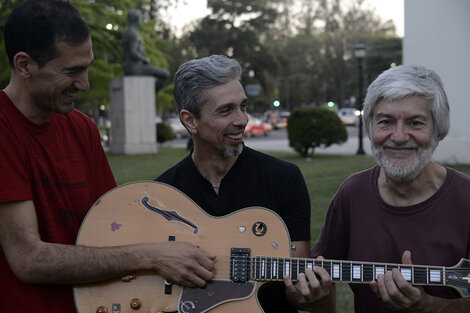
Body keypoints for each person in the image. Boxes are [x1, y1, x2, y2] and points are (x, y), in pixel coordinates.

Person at [0, 1, 216, 312]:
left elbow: (115, 226)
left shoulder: (83, 129)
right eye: (72, 71)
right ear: (24, 65)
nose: (85, 84)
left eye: (86, 68)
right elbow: (28, 259)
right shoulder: (4, 128)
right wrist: (150, 256)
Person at [155, 54, 333, 312]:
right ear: (190, 120)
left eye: (243, 106)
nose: (242, 120)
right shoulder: (163, 194)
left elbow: (295, 285)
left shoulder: (284, 179)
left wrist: (307, 294)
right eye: (226, 110)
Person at [312, 65, 470, 312]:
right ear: (370, 129)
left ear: (438, 133)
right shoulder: (352, 193)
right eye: (385, 122)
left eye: (415, 123)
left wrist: (426, 305)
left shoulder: (466, 200)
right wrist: (313, 295)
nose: (398, 137)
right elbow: (320, 278)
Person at [122, 8, 170, 92]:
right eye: (141, 18)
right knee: (165, 74)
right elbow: (132, 52)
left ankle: (148, 93)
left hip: (129, 66)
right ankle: (150, 93)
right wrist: (144, 59)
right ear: (136, 19)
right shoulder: (133, 34)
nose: (141, 20)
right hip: (135, 68)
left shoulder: (127, 33)